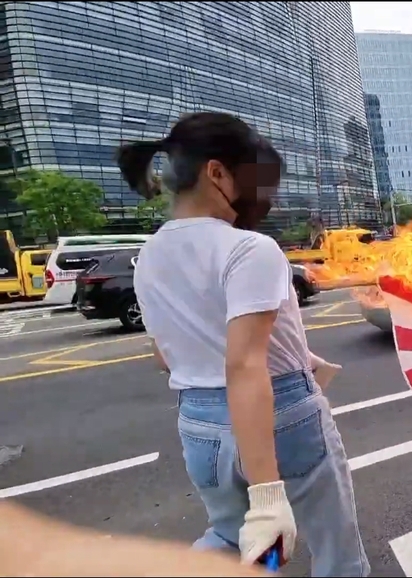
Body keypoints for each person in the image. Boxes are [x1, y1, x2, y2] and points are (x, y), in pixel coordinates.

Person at [116, 112, 370, 576]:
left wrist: (300, 355)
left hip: (200, 425)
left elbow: (164, 354)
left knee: (240, 542)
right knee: (335, 549)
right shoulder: (249, 248)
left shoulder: (149, 256)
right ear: (217, 173)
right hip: (279, 422)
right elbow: (245, 366)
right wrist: (267, 493)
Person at [0, 502, 268, 577]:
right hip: (263, 404)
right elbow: (244, 367)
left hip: (196, 413)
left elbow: (163, 361)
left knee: (228, 529)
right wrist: (268, 493)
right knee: (276, 526)